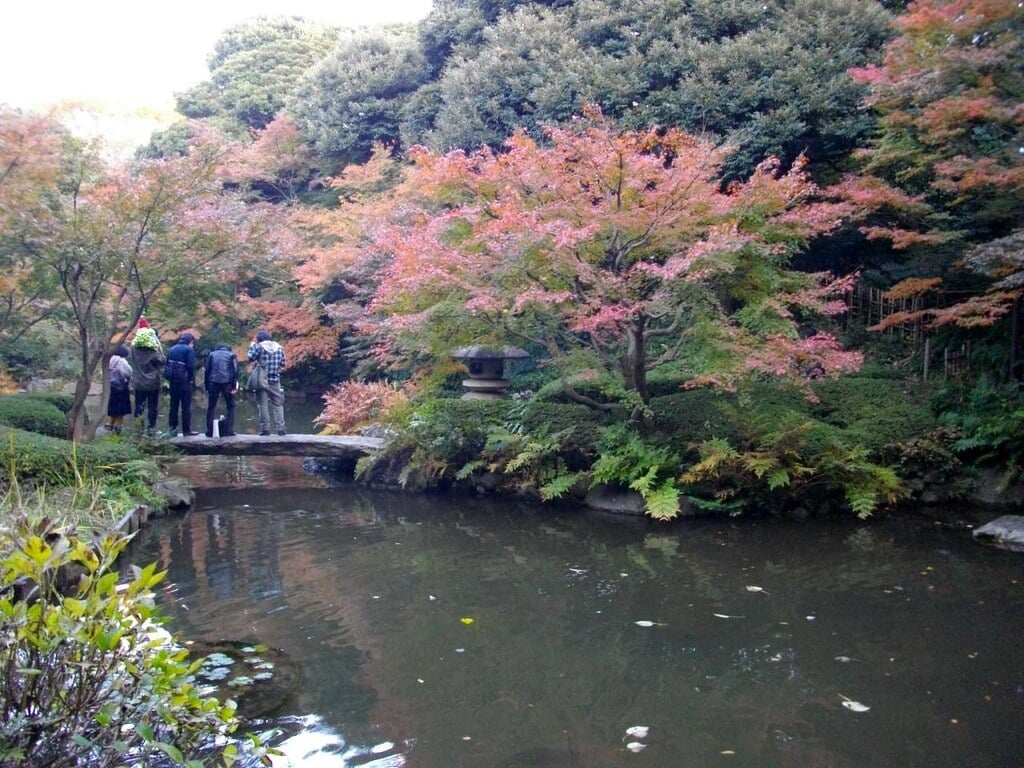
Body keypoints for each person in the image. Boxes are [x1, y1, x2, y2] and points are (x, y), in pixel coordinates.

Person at [129, 317, 165, 433]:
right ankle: (151, 429)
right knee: (153, 407)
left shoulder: (134, 349)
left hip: (138, 382)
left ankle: (138, 430)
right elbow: (161, 361)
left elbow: (131, 360)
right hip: (152, 383)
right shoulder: (153, 350)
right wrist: (159, 348)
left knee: (139, 406)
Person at [247, 329, 287, 436]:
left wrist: (252, 347)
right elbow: (283, 363)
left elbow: (250, 358)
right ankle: (281, 428)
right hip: (275, 380)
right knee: (278, 404)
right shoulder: (280, 348)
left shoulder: (259, 347)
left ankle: (265, 429)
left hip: (261, 380)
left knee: (263, 405)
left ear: (259, 340)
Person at [165, 332, 198, 436]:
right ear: (190, 341)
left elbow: (167, 364)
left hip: (173, 381)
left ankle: (172, 429)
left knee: (173, 406)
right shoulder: (189, 350)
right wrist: (191, 379)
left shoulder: (172, 349)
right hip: (184, 382)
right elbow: (190, 366)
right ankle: (186, 430)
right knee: (186, 406)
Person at [205, 343, 239, 438]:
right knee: (230, 406)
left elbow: (207, 370)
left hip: (213, 382)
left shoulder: (212, 354)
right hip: (227, 383)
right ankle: (229, 430)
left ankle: (210, 431)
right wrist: (234, 384)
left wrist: (206, 384)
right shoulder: (231, 355)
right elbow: (235, 370)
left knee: (211, 406)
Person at [105, 343, 133, 435]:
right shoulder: (121, 361)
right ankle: (117, 431)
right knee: (121, 410)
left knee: (112, 408)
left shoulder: (109, 359)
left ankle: (108, 427)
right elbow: (128, 372)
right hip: (121, 388)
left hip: (111, 387)